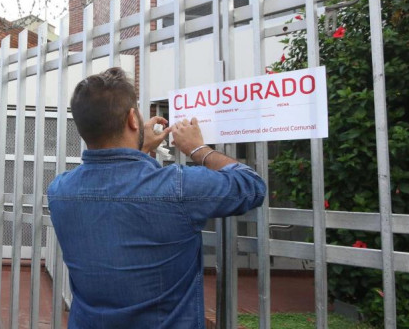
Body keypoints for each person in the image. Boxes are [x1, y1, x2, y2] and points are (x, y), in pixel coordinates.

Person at [47, 68, 267, 328]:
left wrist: (139, 147)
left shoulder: (60, 190)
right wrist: (198, 149)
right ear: (132, 119)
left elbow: (119, 188)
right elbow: (251, 185)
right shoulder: (177, 187)